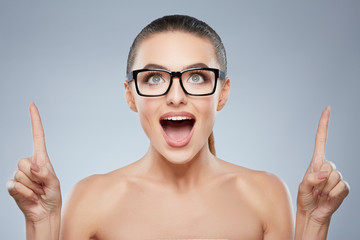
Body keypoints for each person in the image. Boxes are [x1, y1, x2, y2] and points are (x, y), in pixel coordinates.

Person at [7, 15, 349, 240]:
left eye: (197, 77)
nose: (175, 96)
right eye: (154, 78)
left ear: (222, 93)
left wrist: (314, 223)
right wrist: (41, 223)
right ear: (130, 95)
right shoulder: (92, 198)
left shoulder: (265, 194)